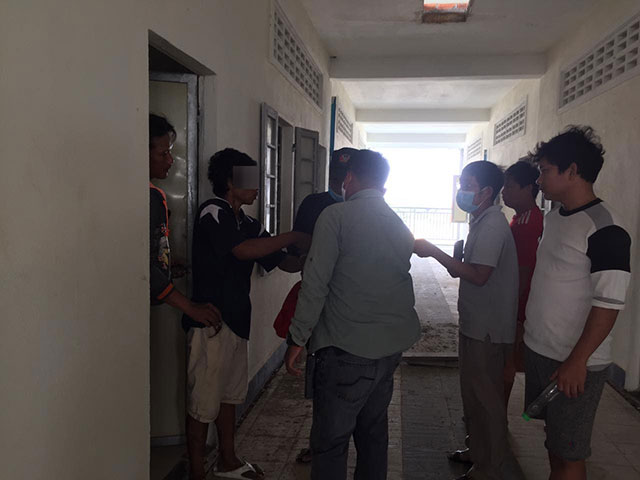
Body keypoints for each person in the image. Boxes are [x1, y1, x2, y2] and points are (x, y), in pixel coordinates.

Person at [284, 149, 421, 480]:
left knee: (331, 442)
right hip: (388, 352)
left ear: (348, 178)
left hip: (345, 351)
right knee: (373, 437)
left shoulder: (336, 217)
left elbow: (315, 284)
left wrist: (297, 338)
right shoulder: (399, 224)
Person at [184, 148, 305, 480]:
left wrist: (310, 257)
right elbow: (242, 251)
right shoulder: (212, 211)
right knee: (202, 403)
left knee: (229, 396)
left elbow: (281, 261)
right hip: (209, 324)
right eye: (249, 180)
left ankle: (228, 461)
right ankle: (196, 472)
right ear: (229, 182)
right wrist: (294, 235)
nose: (256, 188)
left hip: (238, 321)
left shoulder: (249, 223)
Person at [524, 126, 631, 480]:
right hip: (543, 350)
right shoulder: (555, 217)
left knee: (570, 452)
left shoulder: (606, 228)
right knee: (555, 443)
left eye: (545, 171)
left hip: (573, 361)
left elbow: (608, 304)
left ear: (572, 171)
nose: (539, 180)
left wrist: (577, 361)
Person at [414, 161, 524, 480]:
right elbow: (467, 269)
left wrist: (433, 251)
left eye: (467, 185)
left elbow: (478, 275)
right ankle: (476, 451)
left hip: (488, 329)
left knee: (487, 401)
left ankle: (491, 467)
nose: (461, 191)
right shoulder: (480, 220)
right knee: (472, 396)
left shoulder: (492, 225)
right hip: (475, 323)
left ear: (486, 191)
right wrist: (454, 259)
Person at [288, 146, 357, 464]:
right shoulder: (314, 204)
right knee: (322, 377)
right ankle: (321, 444)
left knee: (353, 377)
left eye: (347, 174)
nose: (341, 181)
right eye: (337, 174)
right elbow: (298, 249)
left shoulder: (363, 208)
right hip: (319, 304)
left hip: (353, 307)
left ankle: (339, 443)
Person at [148, 113, 221, 327]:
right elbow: (141, 265)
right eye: (163, 154)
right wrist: (189, 307)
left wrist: (165, 264)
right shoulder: (149, 198)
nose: (170, 161)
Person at [501, 160, 544, 408]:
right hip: (515, 305)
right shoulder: (519, 219)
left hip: (518, 308)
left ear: (528, 188)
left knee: (508, 362)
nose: (504, 192)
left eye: (509, 186)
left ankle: (498, 414)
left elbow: (523, 272)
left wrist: (514, 313)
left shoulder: (529, 224)